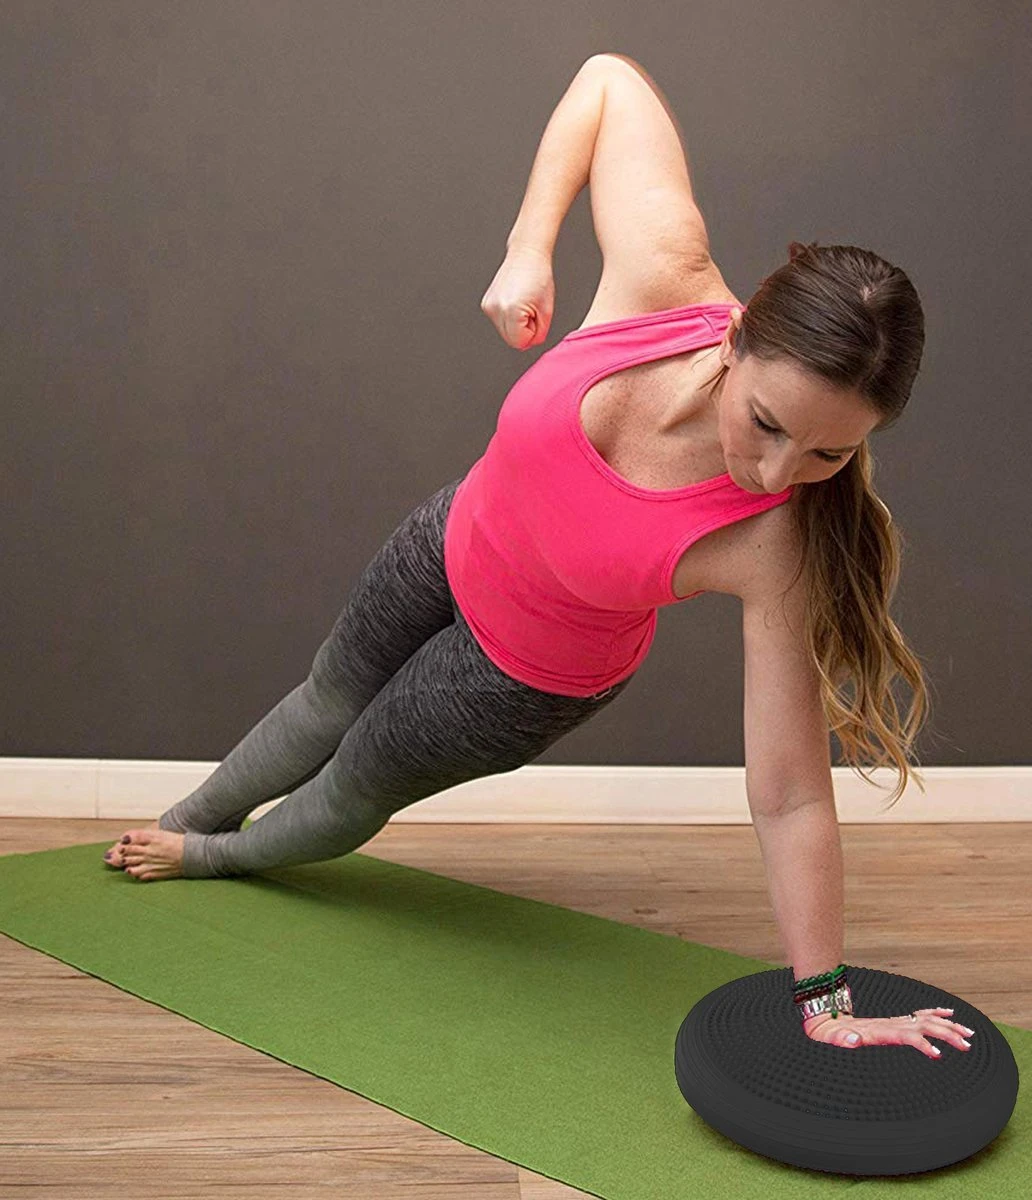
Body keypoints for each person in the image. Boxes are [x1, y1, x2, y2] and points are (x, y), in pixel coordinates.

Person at [103, 53, 969, 1061]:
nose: (780, 474)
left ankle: (212, 856)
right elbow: (608, 80)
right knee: (320, 703)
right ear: (733, 341)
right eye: (771, 425)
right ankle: (180, 816)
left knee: (351, 787)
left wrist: (825, 1001)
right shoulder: (664, 281)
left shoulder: (775, 544)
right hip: (453, 535)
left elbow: (787, 792)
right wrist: (530, 249)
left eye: (831, 452)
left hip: (524, 673)